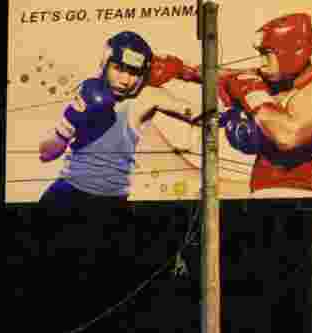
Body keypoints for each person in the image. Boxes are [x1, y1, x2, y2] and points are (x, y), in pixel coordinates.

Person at [38, 31, 199, 213]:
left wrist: (227, 118)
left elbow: (197, 113)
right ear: (105, 64)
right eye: (119, 68)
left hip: (112, 202)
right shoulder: (86, 90)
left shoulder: (147, 96)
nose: (125, 80)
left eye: (133, 72)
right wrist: (68, 124)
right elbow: (46, 154)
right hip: (66, 194)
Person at [218, 12, 312, 197]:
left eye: (267, 54)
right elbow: (222, 75)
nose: (262, 63)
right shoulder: (269, 82)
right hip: (259, 198)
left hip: (307, 201)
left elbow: (288, 136)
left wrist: (254, 95)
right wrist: (181, 70)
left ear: (291, 51)